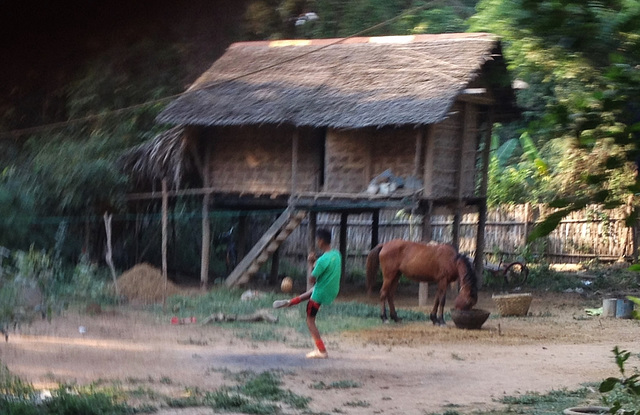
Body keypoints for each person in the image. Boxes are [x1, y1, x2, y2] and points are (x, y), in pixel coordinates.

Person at [273, 228, 341, 359]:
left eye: (317, 240)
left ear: (321, 241)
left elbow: (311, 279)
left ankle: (321, 351)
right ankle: (290, 302)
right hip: (331, 289)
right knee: (313, 290)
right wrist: (316, 264)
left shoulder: (321, 261)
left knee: (310, 321)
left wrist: (311, 264)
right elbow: (325, 270)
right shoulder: (337, 255)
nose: (317, 242)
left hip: (320, 293)